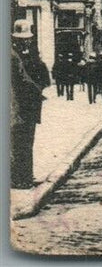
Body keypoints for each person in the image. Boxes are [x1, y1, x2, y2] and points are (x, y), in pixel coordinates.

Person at [11, 21, 52, 189]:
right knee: (22, 143)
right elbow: (23, 80)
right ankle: (21, 179)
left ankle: (26, 176)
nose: (26, 41)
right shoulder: (14, 56)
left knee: (26, 142)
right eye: (23, 39)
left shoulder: (27, 55)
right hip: (21, 106)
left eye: (27, 39)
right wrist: (38, 91)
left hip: (28, 106)